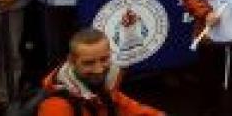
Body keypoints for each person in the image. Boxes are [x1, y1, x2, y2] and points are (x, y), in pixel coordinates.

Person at [35, 27, 163, 116]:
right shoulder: (57, 105)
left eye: (104, 59)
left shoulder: (104, 86)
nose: (99, 69)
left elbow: (133, 110)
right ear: (72, 62)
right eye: (88, 63)